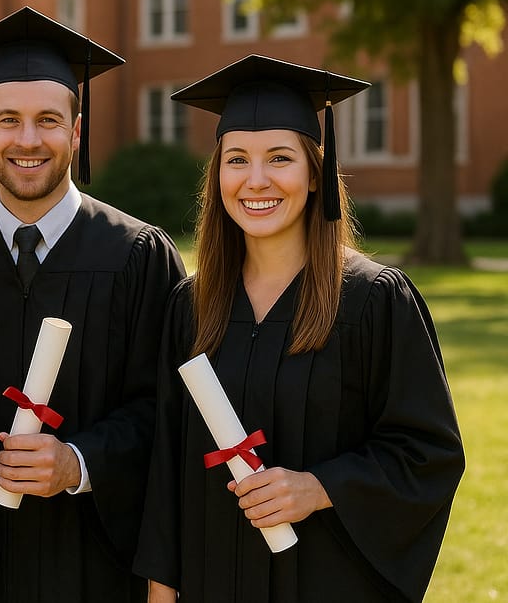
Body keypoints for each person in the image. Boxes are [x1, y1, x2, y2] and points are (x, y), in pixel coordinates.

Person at [134, 54, 466, 602]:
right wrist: (161, 593)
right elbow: (167, 471)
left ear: (315, 173)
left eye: (280, 158)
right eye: (236, 159)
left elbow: (426, 454)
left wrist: (318, 488)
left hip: (329, 584)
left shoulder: (372, 300)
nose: (256, 179)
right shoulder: (191, 308)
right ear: (217, 175)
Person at [0, 7, 187, 602]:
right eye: (9, 121)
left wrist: (79, 461)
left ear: (75, 131)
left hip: (100, 570)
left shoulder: (138, 256)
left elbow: (170, 411)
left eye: (49, 120)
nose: (28, 140)